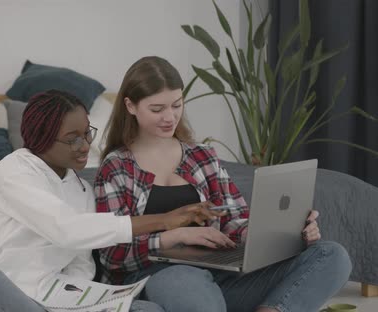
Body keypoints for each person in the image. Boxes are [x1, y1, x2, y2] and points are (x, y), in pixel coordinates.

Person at [94, 56, 352, 312]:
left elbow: (235, 220)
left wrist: (277, 232)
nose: (170, 117)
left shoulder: (203, 156)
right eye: (157, 109)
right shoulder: (116, 168)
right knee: (186, 281)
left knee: (332, 255)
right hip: (160, 276)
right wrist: (173, 237)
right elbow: (110, 254)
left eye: (177, 105)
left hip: (222, 274)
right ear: (130, 106)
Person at [0, 89, 226, 312]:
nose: (85, 146)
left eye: (87, 133)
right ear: (42, 139)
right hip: (0, 296)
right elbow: (66, 228)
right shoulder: (15, 169)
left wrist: (86, 301)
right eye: (72, 138)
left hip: (52, 299)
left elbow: (81, 263)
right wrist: (163, 221)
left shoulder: (82, 191)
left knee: (146, 308)